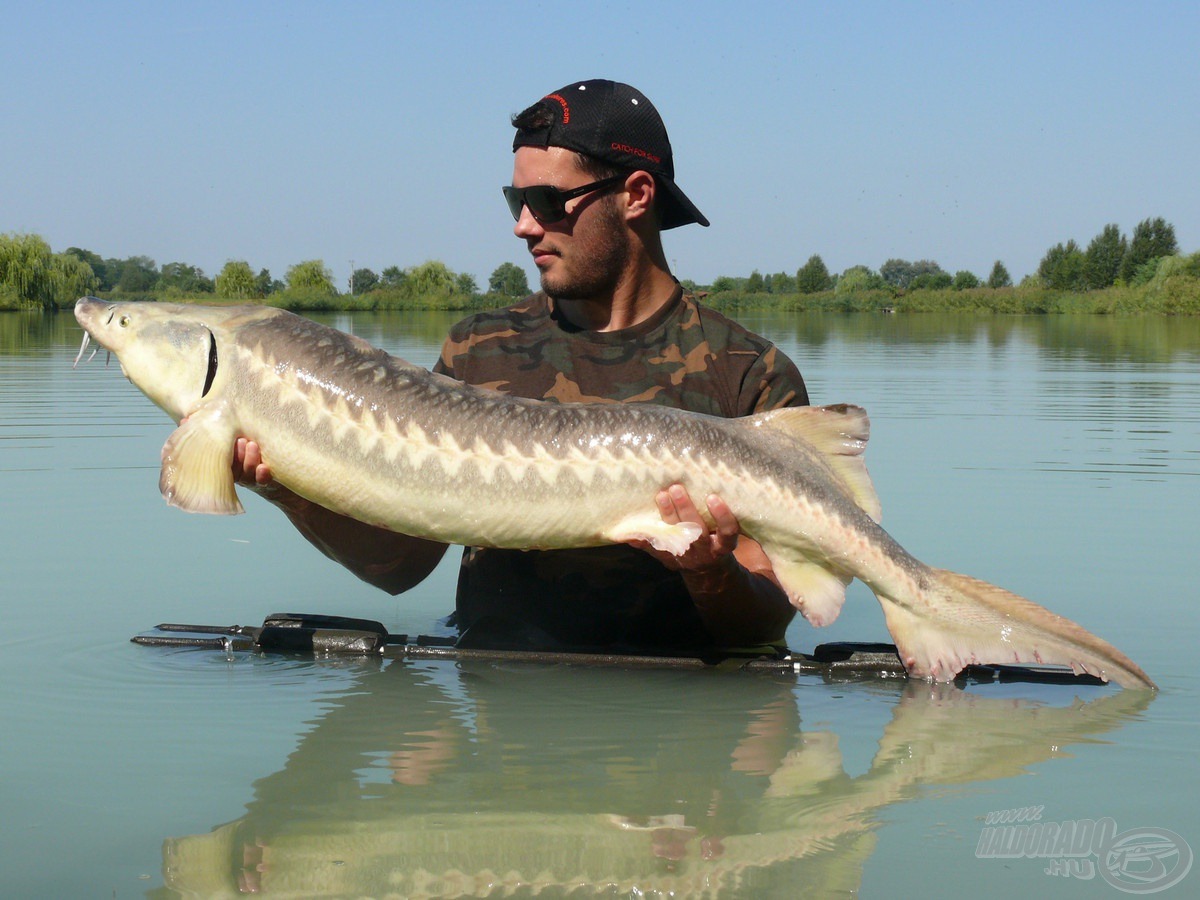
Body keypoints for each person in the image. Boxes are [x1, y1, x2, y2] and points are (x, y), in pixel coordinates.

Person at [235, 79, 809, 653]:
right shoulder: (478, 349)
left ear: (636, 194)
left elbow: (764, 626)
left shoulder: (749, 375)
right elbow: (401, 567)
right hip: (499, 715)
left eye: (549, 202)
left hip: (685, 721)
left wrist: (708, 572)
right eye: (517, 201)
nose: (524, 225)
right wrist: (292, 491)